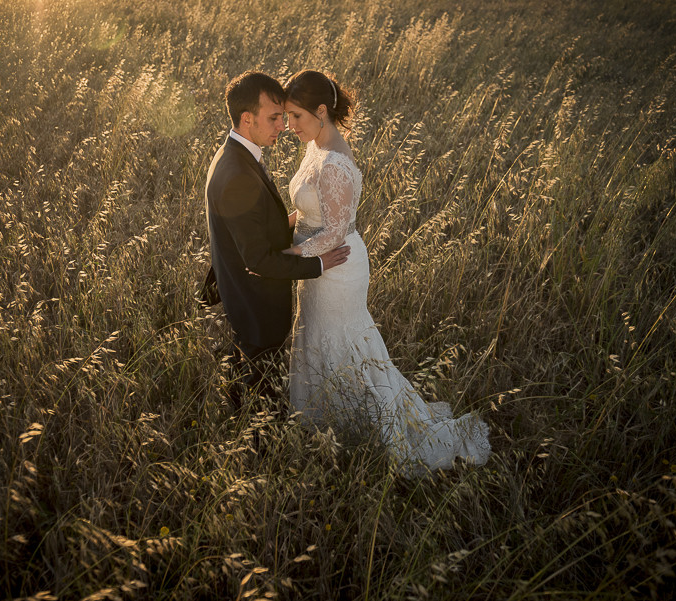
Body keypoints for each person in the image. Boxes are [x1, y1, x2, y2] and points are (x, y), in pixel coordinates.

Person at [281, 70, 490, 474]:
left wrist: (288, 255)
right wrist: (279, 231)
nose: (290, 126)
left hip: (337, 266)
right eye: (287, 117)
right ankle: (327, 418)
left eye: (296, 117)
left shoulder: (336, 162)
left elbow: (336, 231)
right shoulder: (315, 146)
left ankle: (374, 423)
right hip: (315, 262)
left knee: (342, 339)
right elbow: (309, 211)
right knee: (317, 333)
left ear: (321, 112)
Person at [204, 71, 350, 409]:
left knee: (246, 376)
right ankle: (261, 448)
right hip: (255, 304)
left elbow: (253, 227)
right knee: (262, 395)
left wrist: (301, 217)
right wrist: (318, 263)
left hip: (244, 298)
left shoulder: (235, 154)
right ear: (247, 118)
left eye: (284, 117)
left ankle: (239, 416)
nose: (282, 126)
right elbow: (258, 259)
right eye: (273, 118)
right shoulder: (238, 174)